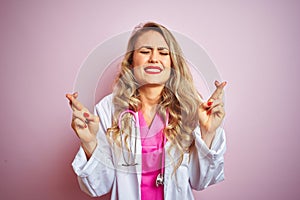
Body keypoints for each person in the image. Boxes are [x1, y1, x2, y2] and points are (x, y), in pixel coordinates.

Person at [66, 22, 227, 200]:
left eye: (163, 52)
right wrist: (89, 143)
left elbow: (202, 181)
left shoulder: (191, 108)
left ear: (173, 62)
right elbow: (98, 187)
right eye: (144, 51)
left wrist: (208, 133)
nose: (154, 58)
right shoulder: (108, 109)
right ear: (131, 61)